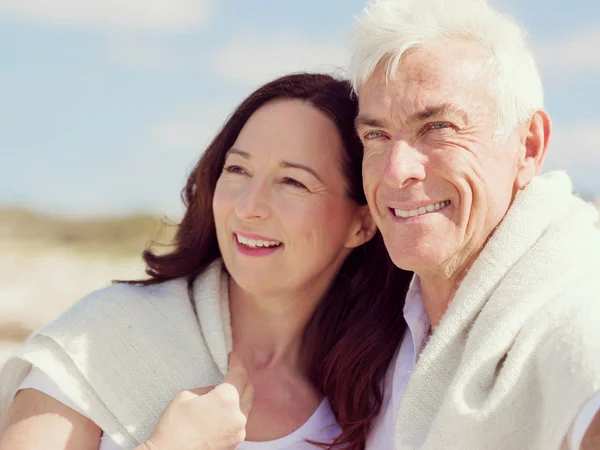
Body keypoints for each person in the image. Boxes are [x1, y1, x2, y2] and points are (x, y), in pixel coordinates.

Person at [0, 73, 412, 450]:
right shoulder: (100, 342)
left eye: (292, 181)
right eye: (237, 169)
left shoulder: (380, 392)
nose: (249, 206)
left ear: (361, 224)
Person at [349, 0, 600, 449]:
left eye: (438, 127)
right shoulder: (375, 317)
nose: (395, 170)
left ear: (528, 146)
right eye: (376, 135)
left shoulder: (575, 302)